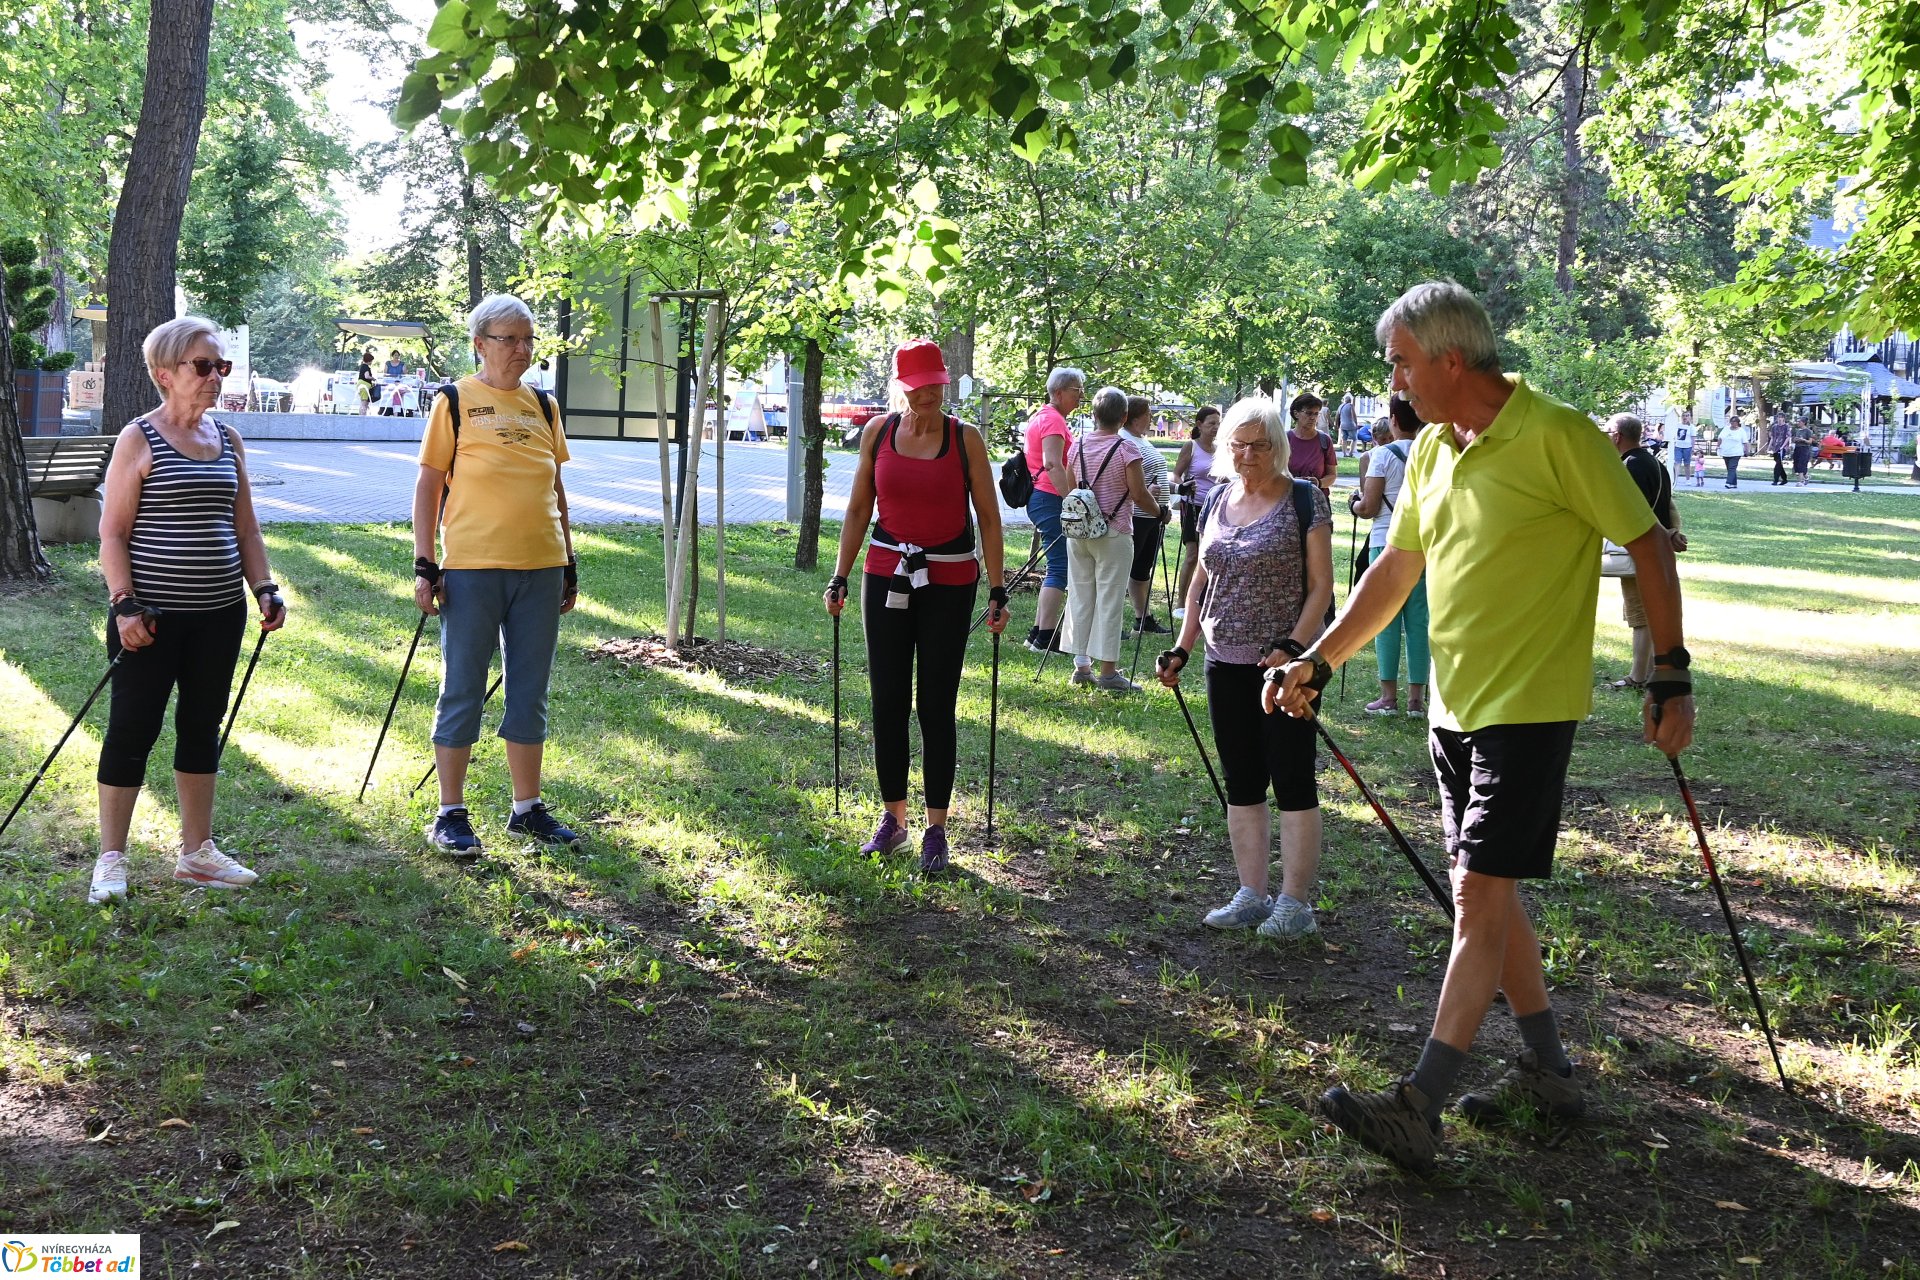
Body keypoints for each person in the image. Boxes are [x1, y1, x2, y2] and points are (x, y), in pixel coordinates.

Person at [1269, 281, 1694, 1174]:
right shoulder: (1427, 449)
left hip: (1529, 711)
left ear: (1449, 359)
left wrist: (1669, 673)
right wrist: (1321, 659)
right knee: (1487, 893)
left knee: (1475, 897)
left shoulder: (1560, 434)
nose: (1395, 379)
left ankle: (1420, 1104)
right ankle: (1550, 1072)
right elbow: (1395, 569)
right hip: (1451, 709)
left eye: (1401, 361)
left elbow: (1650, 542)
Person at [88, 317, 288, 903]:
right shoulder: (138, 439)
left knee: (202, 728)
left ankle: (197, 854)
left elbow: (245, 527)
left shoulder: (227, 439)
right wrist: (124, 606)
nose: (215, 378)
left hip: (219, 612)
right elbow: (112, 534)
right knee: (132, 730)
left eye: (221, 366)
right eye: (203, 366)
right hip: (151, 617)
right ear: (165, 375)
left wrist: (264, 588)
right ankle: (111, 858)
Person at [824, 340, 1008, 874]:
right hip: (885, 575)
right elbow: (860, 507)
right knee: (887, 699)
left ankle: (935, 828)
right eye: (918, 385)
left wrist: (997, 589)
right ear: (901, 386)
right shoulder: (878, 433)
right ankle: (893, 820)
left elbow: (989, 519)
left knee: (935, 704)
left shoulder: (964, 439)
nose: (928, 394)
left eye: (936, 384)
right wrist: (839, 574)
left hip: (950, 580)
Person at [1157, 396, 1333, 939]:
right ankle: (1251, 894)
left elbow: (1323, 586)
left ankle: (1294, 904)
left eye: (1259, 444)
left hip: (1285, 669)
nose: (1249, 453)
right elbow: (1200, 582)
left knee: (1293, 777)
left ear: (1278, 446)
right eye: (1239, 444)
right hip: (1222, 660)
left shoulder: (1304, 500)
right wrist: (1183, 646)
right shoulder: (1215, 500)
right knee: (1242, 781)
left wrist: (1293, 646)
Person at [413, 294, 580, 859]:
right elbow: (429, 486)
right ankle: (449, 813)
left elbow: (554, 487)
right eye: (509, 339)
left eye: (529, 339)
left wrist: (569, 561)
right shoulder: (455, 401)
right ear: (479, 343)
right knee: (462, 686)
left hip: (542, 567)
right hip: (473, 568)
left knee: (529, 691)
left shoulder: (545, 405)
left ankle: (526, 808)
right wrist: (424, 563)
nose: (522, 350)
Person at [1062, 387, 1159, 692]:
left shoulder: (1076, 446)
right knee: (1110, 598)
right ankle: (1108, 672)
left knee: (1080, 593)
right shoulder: (1127, 450)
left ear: (1093, 415)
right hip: (1114, 531)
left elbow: (1071, 488)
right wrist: (1160, 512)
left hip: (1079, 531)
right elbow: (1139, 494)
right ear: (1124, 417)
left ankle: (1081, 666)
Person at [1349, 394, 1426, 716]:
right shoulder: (1432, 454)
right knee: (1420, 622)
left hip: (1386, 542)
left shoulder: (1381, 455)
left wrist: (1353, 503)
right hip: (1423, 546)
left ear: (1393, 420)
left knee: (1387, 621)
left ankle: (1388, 697)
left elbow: (1368, 508)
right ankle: (1416, 702)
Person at [1605, 414, 1686, 689]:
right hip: (1658, 550)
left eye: (1607, 432)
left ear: (1617, 435)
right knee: (1646, 613)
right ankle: (1651, 671)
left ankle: (1637, 677)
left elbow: (1631, 514)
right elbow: (1668, 505)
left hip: (1640, 552)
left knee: (1641, 616)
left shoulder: (1628, 467)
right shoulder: (1656, 464)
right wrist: (1672, 532)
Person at [1020, 368, 1085, 654]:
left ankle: (1037, 633)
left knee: (1057, 566)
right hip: (1049, 498)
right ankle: (1046, 636)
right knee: (1060, 566)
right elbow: (1052, 464)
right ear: (1058, 392)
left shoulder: (1046, 417)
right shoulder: (1053, 420)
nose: (1081, 394)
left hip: (1043, 498)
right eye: (1076, 389)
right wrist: (1072, 500)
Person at [1122, 395, 1171, 634]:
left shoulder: (1142, 440)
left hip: (1153, 515)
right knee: (1124, 568)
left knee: (1142, 568)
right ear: (1137, 416)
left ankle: (1143, 618)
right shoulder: (1125, 440)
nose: (1151, 416)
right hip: (1136, 514)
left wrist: (1176, 491)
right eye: (1148, 412)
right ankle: (1113, 622)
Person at [1170, 405, 1221, 616]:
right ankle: (1181, 603)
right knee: (1192, 555)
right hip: (1191, 505)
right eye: (1211, 424)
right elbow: (1175, 476)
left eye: (1218, 424)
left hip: (1214, 507)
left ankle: (1205, 600)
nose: (1215, 428)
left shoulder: (1220, 450)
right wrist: (1184, 485)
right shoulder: (1190, 447)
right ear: (1199, 425)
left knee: (1210, 555)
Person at [1287, 393, 1338, 494]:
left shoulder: (1324, 440)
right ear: (1296, 413)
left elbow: (1332, 475)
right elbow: (1274, 473)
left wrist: (1318, 482)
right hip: (1288, 497)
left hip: (1317, 500)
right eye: (1308, 413)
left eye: (1316, 414)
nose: (1313, 417)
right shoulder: (1284, 439)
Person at [1717, 414, 1751, 487]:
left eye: (1735, 422)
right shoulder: (1726, 429)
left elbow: (1745, 442)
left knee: (1732, 467)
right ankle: (1734, 483)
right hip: (1726, 452)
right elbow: (1720, 438)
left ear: (1738, 423)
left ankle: (1728, 482)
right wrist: (1718, 446)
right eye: (1732, 422)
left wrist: (1746, 451)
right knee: (1729, 468)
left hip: (1736, 452)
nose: (1733, 423)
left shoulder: (1741, 431)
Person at [1768, 412, 1791, 485]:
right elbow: (1772, 437)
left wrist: (1783, 446)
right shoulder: (1774, 427)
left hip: (1782, 448)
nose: (1779, 419)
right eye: (1778, 417)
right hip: (1775, 447)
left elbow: (1788, 437)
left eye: (1781, 417)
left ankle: (1775, 480)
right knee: (1779, 464)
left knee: (1778, 464)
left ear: (1784, 418)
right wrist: (1769, 447)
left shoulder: (1786, 426)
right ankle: (1784, 479)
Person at [1671, 411, 1693, 479]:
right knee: (1677, 463)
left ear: (1690, 417)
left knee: (1687, 464)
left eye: (1687, 416)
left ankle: (1688, 479)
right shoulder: (1677, 425)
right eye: (1684, 415)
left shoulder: (1691, 427)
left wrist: (1693, 448)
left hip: (1688, 447)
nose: (1685, 417)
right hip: (1678, 447)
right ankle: (1675, 479)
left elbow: (1693, 438)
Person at [1792, 418, 1814, 484]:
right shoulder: (1797, 431)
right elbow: (1794, 439)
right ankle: (1806, 476)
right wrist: (1795, 439)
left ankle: (1800, 481)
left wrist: (1803, 440)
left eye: (1799, 421)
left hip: (1804, 449)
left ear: (1804, 422)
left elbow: (1810, 441)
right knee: (1796, 464)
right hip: (1797, 448)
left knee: (1801, 464)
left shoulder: (1808, 431)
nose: (1798, 423)